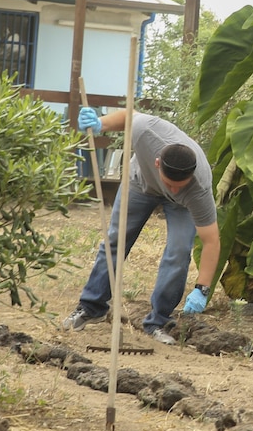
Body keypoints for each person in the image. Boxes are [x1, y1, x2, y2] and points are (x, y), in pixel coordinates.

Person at [62, 107, 220, 345]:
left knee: (178, 253)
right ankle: (92, 307)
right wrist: (99, 124)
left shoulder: (198, 188)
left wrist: (202, 289)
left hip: (182, 206)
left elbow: (211, 241)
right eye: (171, 184)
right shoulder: (147, 132)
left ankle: (158, 321)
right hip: (140, 184)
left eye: (181, 185)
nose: (174, 189)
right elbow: (128, 115)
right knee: (115, 240)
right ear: (157, 163)